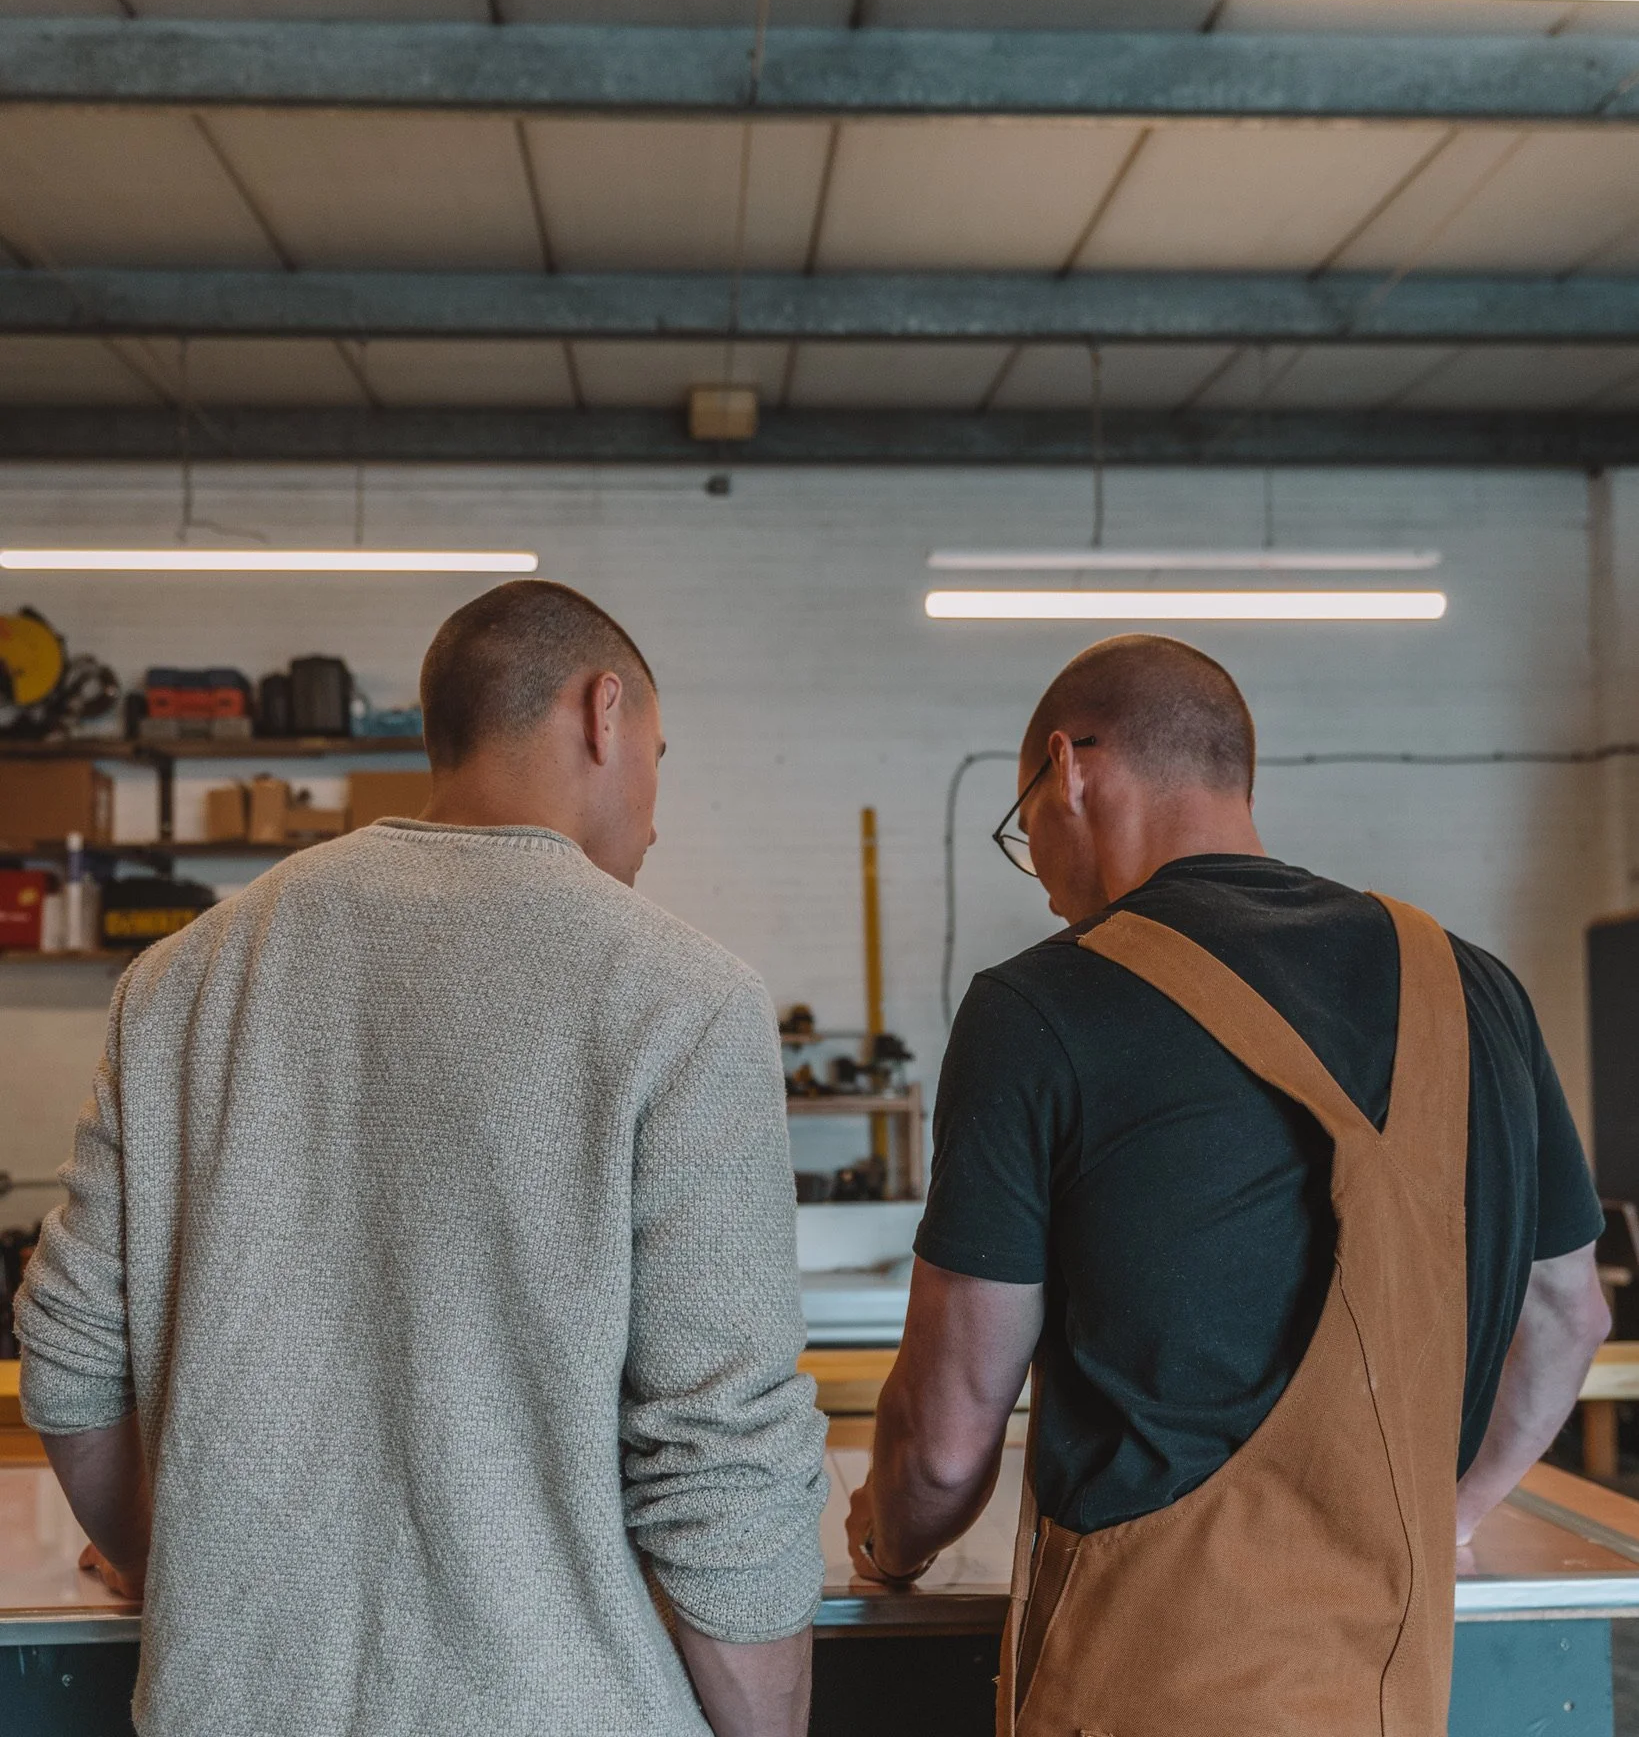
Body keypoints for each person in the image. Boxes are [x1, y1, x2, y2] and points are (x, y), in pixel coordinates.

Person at [15, 579, 825, 1737]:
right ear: (603, 715)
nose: (656, 811)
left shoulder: (183, 979)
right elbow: (722, 1454)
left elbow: (69, 1354)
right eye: (656, 754)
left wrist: (193, 1575)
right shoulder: (683, 998)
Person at [847, 633, 1610, 1737]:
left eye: (1028, 831)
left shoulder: (1039, 1005)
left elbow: (948, 1430)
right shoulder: (1473, 983)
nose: (1047, 876)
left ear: (1067, 769)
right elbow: (1567, 1312)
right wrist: (1452, 1511)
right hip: (1393, 1696)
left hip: (1138, 1690)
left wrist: (889, 1534)